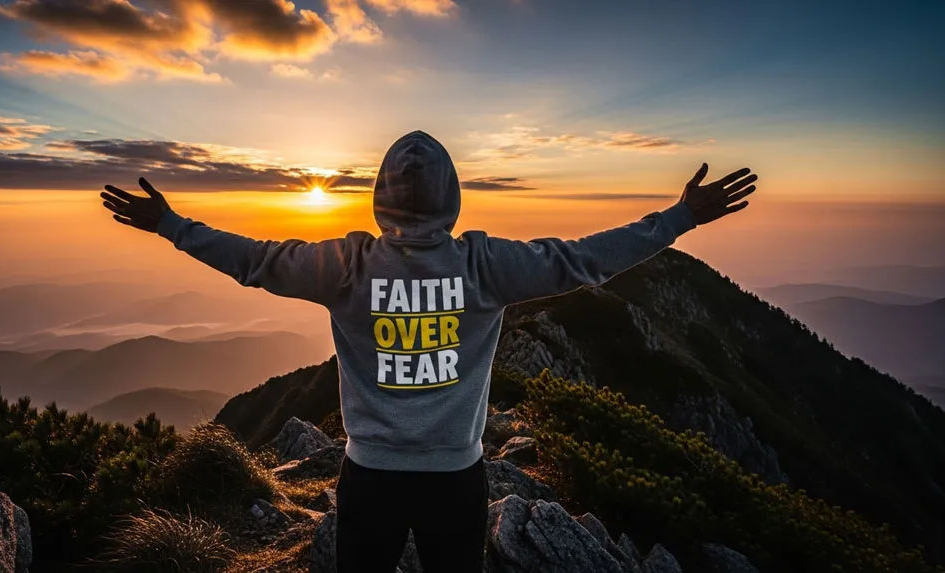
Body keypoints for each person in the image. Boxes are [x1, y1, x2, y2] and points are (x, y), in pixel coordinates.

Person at [100, 130, 756, 572]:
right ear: (451, 196)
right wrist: (681, 217)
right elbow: (584, 260)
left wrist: (171, 225)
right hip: (455, 481)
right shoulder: (484, 266)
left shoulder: (347, 267)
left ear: (380, 197)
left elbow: (254, 260)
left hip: (369, 478)